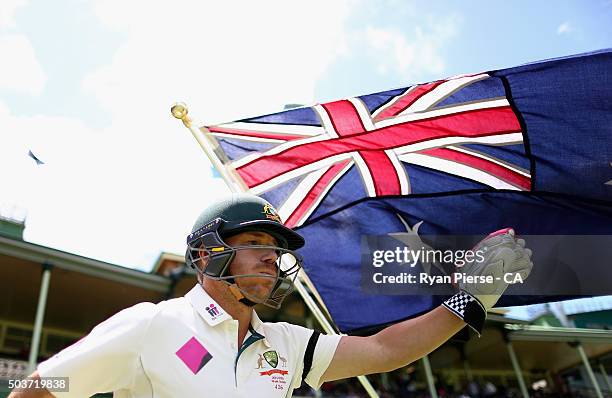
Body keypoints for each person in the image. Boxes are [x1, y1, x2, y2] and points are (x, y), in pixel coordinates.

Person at [9, 194, 532, 398]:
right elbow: (41, 384)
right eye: (255, 244)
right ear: (205, 255)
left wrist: (470, 300)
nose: (271, 258)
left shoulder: (284, 343)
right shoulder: (153, 324)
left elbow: (384, 351)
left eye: (275, 248)